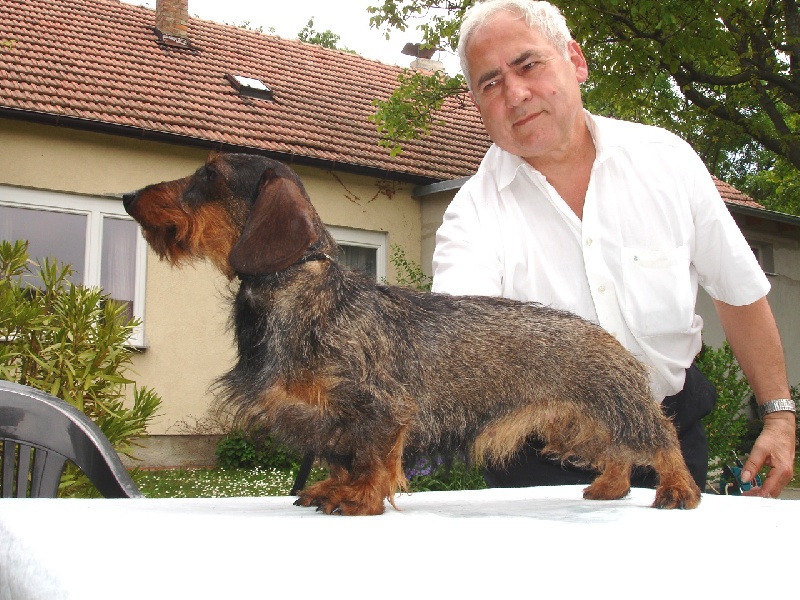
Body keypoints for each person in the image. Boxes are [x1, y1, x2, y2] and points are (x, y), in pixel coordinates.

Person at [432, 0, 796, 497]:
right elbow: (465, 351)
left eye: (528, 64)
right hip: (539, 469)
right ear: (478, 104)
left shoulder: (667, 163)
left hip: (670, 443)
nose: (515, 94)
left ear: (575, 61)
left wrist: (778, 415)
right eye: (490, 83)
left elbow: (738, 293)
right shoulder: (470, 217)